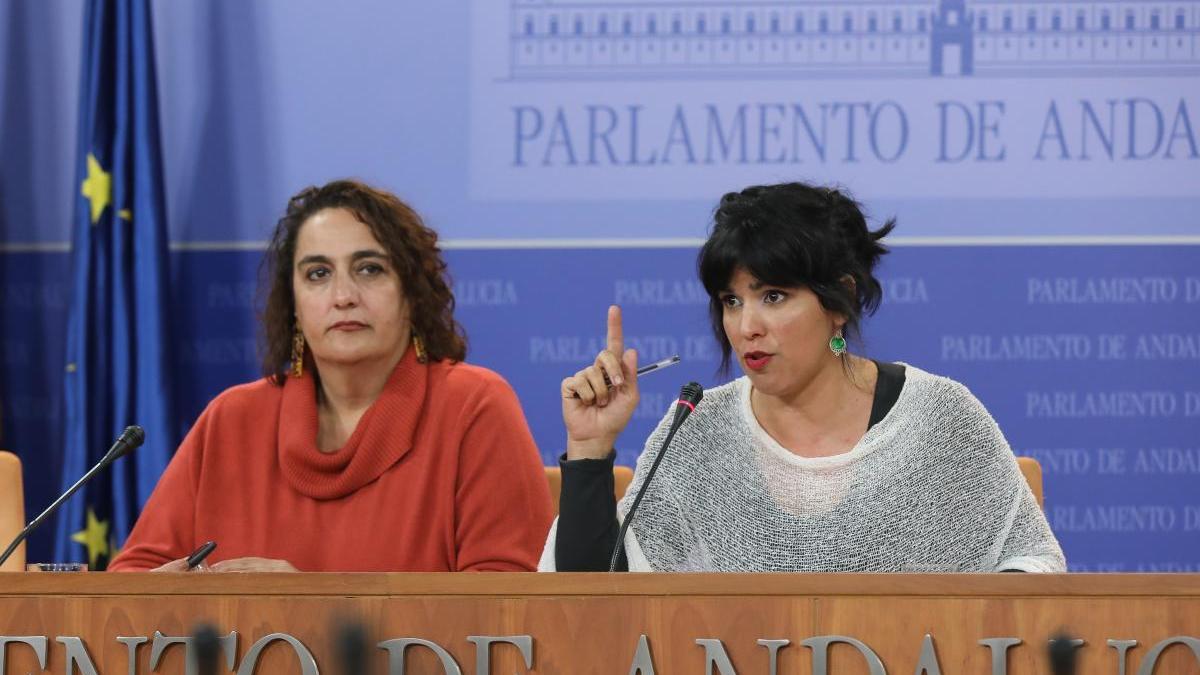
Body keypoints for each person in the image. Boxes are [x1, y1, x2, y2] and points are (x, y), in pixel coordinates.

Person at [542, 182, 1066, 573]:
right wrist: (589, 450)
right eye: (731, 301)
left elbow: (1032, 569)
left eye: (774, 296)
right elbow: (593, 610)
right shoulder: (698, 432)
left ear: (840, 299)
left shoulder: (940, 417)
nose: (746, 327)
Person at [110, 180, 552, 572]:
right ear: (295, 306)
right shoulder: (233, 419)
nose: (343, 296)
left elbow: (508, 614)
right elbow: (133, 580)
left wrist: (309, 612)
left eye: (369, 269)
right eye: (318, 274)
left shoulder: (474, 407)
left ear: (412, 295)